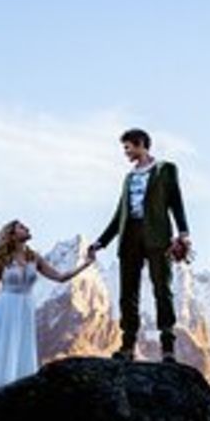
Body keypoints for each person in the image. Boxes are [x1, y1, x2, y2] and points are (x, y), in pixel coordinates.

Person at [87, 128, 191, 363]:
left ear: (141, 144)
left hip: (157, 235)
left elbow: (176, 202)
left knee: (162, 289)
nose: (126, 152)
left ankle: (167, 347)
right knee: (128, 293)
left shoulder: (165, 170)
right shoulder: (129, 177)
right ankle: (127, 347)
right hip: (130, 236)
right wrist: (100, 242)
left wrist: (183, 233)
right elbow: (119, 215)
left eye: (128, 147)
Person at [0, 219, 96, 398]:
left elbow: (60, 277)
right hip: (5, 308)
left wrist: (86, 264)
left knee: (20, 350)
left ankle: (17, 394)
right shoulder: (1, 256)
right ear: (11, 234)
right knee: (2, 349)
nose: (27, 228)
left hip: (24, 310)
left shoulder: (34, 257)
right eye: (21, 227)